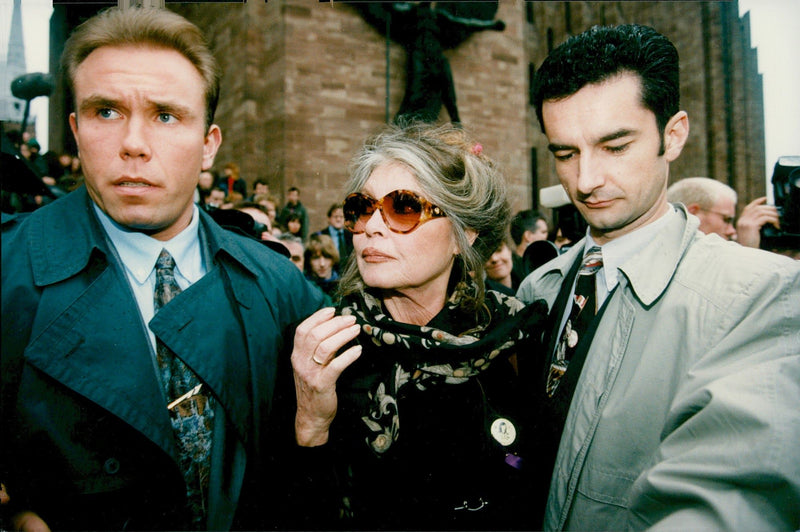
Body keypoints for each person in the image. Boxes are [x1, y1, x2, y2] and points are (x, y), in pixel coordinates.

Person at [0, 7, 323, 531]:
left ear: (208, 145)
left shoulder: (280, 285)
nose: (133, 143)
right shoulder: (8, 271)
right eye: (106, 112)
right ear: (76, 131)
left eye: (166, 115)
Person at [519, 23, 800, 530]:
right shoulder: (539, 288)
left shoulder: (759, 296)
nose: (585, 180)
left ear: (673, 135)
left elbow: (733, 501)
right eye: (565, 153)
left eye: (615, 146)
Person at [289, 122, 547, 530]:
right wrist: (311, 425)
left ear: (464, 234)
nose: (371, 226)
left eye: (403, 208)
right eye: (362, 208)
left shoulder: (517, 335)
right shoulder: (325, 351)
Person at [313, 202, 353, 270]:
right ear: (329, 218)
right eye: (335, 216)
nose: (338, 219)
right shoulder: (319, 236)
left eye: (341, 217)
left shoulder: (351, 235)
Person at [303, 233, 340, 298]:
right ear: (309, 261)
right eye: (316, 258)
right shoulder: (304, 286)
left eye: (327, 257)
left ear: (333, 259)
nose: (322, 264)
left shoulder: (342, 286)